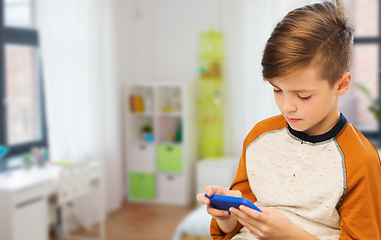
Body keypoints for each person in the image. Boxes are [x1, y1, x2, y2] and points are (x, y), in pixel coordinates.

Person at [196, 1, 381, 239]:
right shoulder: (259, 137)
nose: (287, 106)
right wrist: (226, 216)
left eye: (303, 95)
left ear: (341, 84)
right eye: (277, 90)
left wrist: (289, 234)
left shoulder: (360, 160)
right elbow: (232, 229)